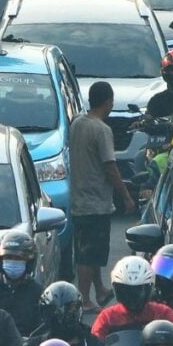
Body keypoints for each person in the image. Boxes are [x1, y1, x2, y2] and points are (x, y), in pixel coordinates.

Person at [70, 81, 136, 312]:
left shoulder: (77, 123)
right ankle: (85, 299)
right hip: (96, 200)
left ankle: (99, 290)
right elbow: (110, 167)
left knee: (89, 249)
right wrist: (126, 196)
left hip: (79, 196)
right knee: (90, 253)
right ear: (108, 102)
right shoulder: (102, 130)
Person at [91, 256, 173, 343]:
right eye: (127, 291)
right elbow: (94, 345)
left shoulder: (163, 313)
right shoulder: (107, 317)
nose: (132, 296)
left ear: (149, 289)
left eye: (138, 290)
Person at [23, 282, 106, 346]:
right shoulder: (34, 345)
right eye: (56, 312)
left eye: (70, 310)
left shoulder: (92, 344)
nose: (62, 318)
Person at [0, 231, 44, 336]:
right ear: (1, 261)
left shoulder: (38, 293)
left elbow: (43, 330)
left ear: (29, 263)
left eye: (18, 259)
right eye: (8, 258)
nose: (13, 262)